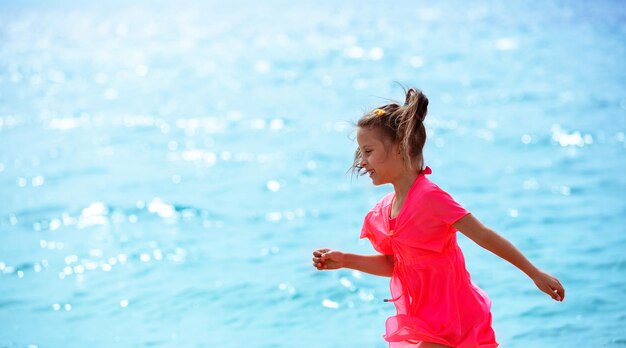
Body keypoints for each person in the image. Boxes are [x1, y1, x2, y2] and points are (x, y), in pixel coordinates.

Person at [311, 87, 565, 348]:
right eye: (361, 152)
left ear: (400, 148)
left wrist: (534, 273)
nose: (362, 161)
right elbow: (396, 265)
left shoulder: (429, 198)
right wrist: (345, 260)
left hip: (454, 316)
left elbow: (483, 235)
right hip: (426, 320)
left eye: (368, 151)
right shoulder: (387, 210)